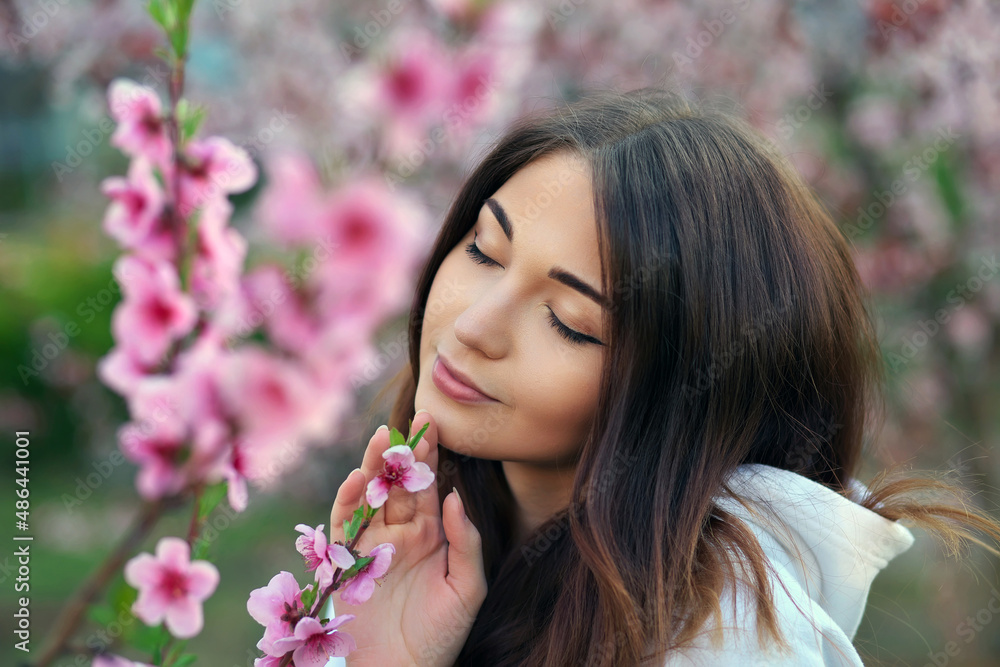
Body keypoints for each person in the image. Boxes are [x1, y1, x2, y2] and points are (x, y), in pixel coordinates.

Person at [326, 87, 1000, 666]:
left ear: (680, 390)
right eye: (484, 249)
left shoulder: (727, 636)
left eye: (567, 320)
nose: (475, 323)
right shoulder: (447, 538)